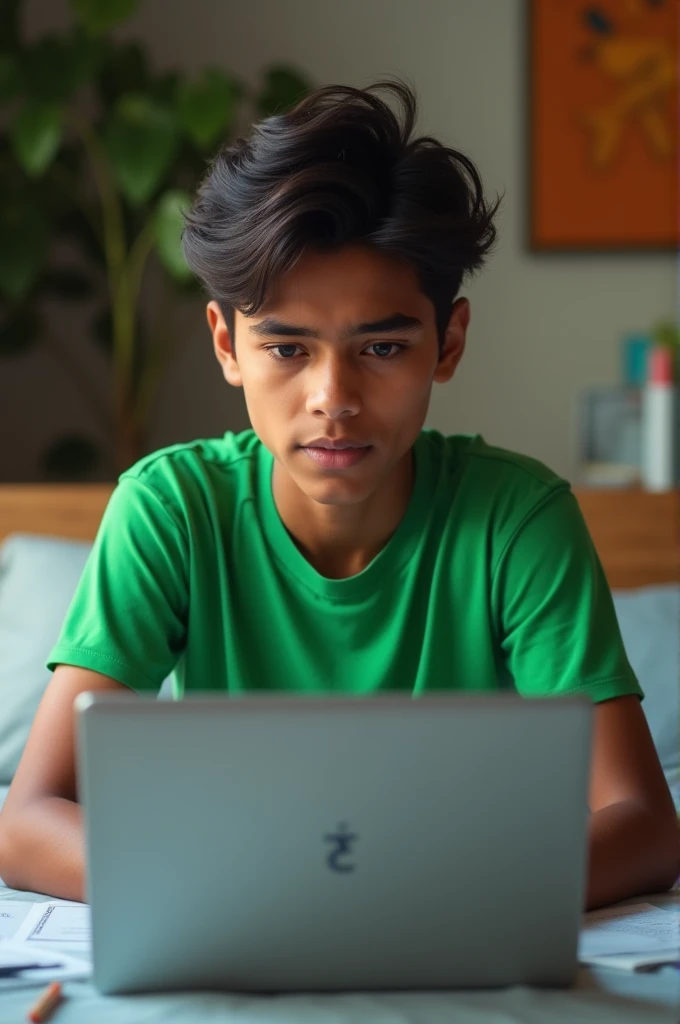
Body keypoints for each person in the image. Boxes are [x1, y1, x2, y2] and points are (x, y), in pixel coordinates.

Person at [0, 80, 677, 909]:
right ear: (227, 344)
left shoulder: (515, 519)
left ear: (448, 343)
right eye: (286, 349)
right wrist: (247, 888)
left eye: (383, 346)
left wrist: (409, 892)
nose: (333, 397)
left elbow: (642, 822)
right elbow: (29, 822)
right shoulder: (171, 509)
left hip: (453, 908)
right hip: (234, 907)